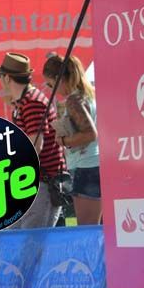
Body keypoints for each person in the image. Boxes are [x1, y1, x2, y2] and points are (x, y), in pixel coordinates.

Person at [0, 52, 67, 228]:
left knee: (31, 241)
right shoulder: (25, 101)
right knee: (20, 238)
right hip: (33, 181)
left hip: (39, 183)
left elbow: (36, 145)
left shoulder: (31, 103)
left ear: (7, 78)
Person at [43, 54, 100, 225]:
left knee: (87, 227)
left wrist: (64, 141)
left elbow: (90, 134)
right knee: (95, 227)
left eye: (50, 84)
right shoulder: (89, 95)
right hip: (93, 165)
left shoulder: (74, 100)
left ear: (58, 79)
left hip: (85, 168)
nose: (52, 89)